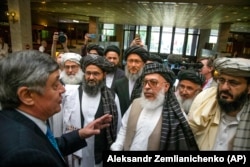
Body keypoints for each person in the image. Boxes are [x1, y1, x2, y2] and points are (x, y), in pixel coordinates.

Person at [0, 50, 112, 167]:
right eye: (55, 85)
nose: (63, 90)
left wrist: (80, 134)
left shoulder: (14, 121)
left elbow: (48, 146)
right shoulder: (24, 155)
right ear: (27, 95)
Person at [110, 62, 198, 151]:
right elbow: (124, 128)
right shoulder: (136, 103)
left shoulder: (176, 114)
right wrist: (117, 147)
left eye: (153, 82)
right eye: (145, 82)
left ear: (166, 86)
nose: (147, 87)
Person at [61, 54, 122, 167]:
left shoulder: (112, 97)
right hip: (77, 152)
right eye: (88, 73)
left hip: (100, 154)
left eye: (96, 74)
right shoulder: (72, 93)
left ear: (104, 75)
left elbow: (117, 128)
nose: (91, 77)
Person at [188, 57, 250, 150]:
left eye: (233, 83)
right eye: (221, 80)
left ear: (248, 88)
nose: (224, 87)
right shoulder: (204, 101)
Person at [112, 46, 149, 116]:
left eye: (137, 61)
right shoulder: (118, 84)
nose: (133, 65)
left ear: (144, 64)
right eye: (130, 61)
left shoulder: (148, 85)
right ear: (126, 63)